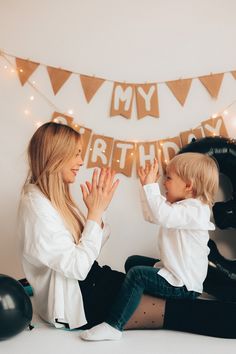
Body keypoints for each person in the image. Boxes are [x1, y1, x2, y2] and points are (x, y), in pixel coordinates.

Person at [18, 122, 236, 339]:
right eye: (76, 154)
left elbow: (88, 249)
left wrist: (98, 213)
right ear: (56, 155)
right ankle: (114, 327)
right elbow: (78, 267)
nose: (81, 161)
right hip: (80, 301)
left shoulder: (52, 199)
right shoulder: (37, 208)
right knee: (183, 310)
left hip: (93, 282)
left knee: (148, 285)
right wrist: (95, 214)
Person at [80, 153, 220, 341]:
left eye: (168, 178)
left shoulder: (196, 210)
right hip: (174, 272)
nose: (163, 183)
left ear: (188, 186)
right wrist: (145, 186)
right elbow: (152, 215)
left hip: (183, 284)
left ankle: (114, 325)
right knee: (133, 262)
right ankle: (136, 300)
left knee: (137, 275)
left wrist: (150, 187)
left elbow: (161, 215)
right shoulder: (181, 207)